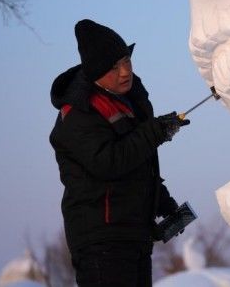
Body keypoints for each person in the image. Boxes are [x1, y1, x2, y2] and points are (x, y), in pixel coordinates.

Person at [49, 19, 189, 287]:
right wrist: (155, 131)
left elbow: (136, 165)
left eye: (127, 60)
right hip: (102, 242)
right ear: (95, 72)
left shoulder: (127, 102)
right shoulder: (78, 112)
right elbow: (108, 162)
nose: (125, 71)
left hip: (134, 236)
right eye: (114, 67)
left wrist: (163, 203)